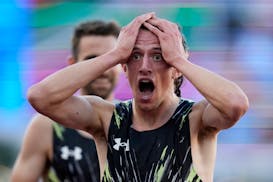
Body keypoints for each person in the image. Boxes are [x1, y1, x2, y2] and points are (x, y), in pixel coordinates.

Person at [27, 12, 249, 182]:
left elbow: (235, 104)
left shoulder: (195, 120)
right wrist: (115, 54)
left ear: (174, 67)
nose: (144, 66)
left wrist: (179, 60)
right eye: (135, 56)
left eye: (158, 56)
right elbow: (41, 97)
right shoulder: (107, 119)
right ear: (124, 66)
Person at [11, 20, 121, 182]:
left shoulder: (132, 120)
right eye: (92, 60)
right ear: (72, 64)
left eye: (110, 59)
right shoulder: (46, 126)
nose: (102, 69)